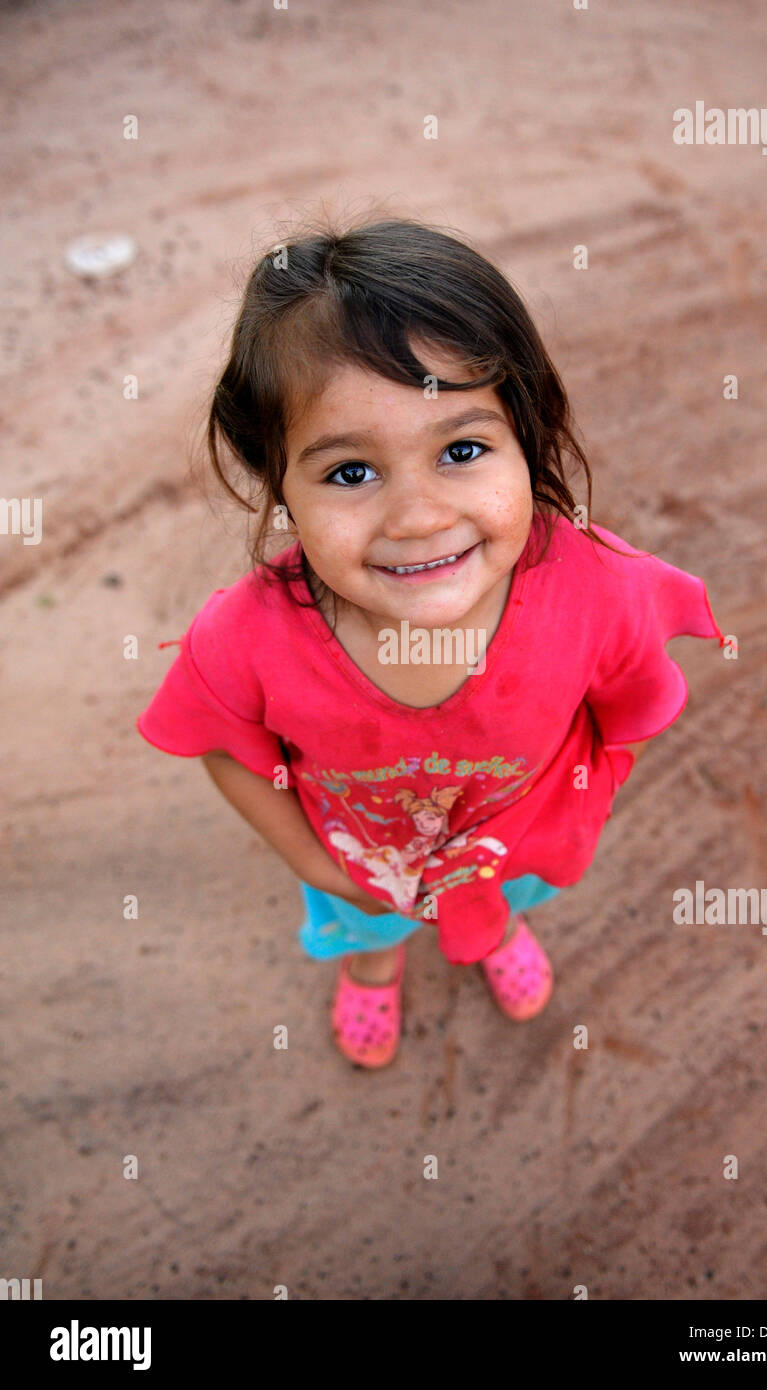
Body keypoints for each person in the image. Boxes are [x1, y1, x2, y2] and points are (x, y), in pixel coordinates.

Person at [136, 213, 725, 1069]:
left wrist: (561, 811)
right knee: (371, 928)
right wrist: (322, 865)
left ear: (528, 437)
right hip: (358, 863)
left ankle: (495, 930)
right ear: (279, 484)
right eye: (349, 472)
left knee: (503, 901)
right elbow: (224, 749)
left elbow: (629, 711)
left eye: (461, 449)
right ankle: (375, 968)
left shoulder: (600, 590)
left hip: (509, 849)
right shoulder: (246, 638)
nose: (418, 518)